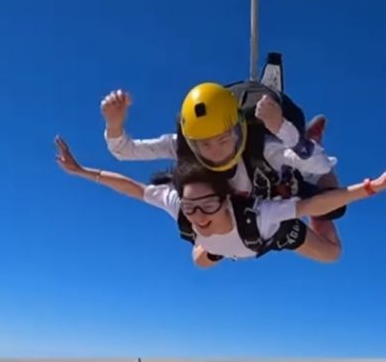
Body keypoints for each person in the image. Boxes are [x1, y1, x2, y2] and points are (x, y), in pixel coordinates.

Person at [55, 136, 386, 265]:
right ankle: (300, 158)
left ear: (227, 200)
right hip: (238, 245)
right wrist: (82, 171)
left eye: (208, 206)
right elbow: (132, 188)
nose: (198, 216)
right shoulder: (180, 206)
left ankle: (311, 154)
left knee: (331, 250)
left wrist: (372, 187)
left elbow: (311, 206)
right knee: (199, 260)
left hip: (271, 235)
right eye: (191, 207)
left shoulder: (260, 215)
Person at [101, 84, 345, 248]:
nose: (216, 151)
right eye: (204, 144)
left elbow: (321, 165)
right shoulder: (182, 146)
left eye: (224, 139)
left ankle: (310, 138)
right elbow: (125, 151)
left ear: (238, 129)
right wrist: (114, 125)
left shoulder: (264, 147)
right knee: (202, 253)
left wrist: (285, 130)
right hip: (234, 210)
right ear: (191, 141)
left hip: (275, 185)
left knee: (334, 206)